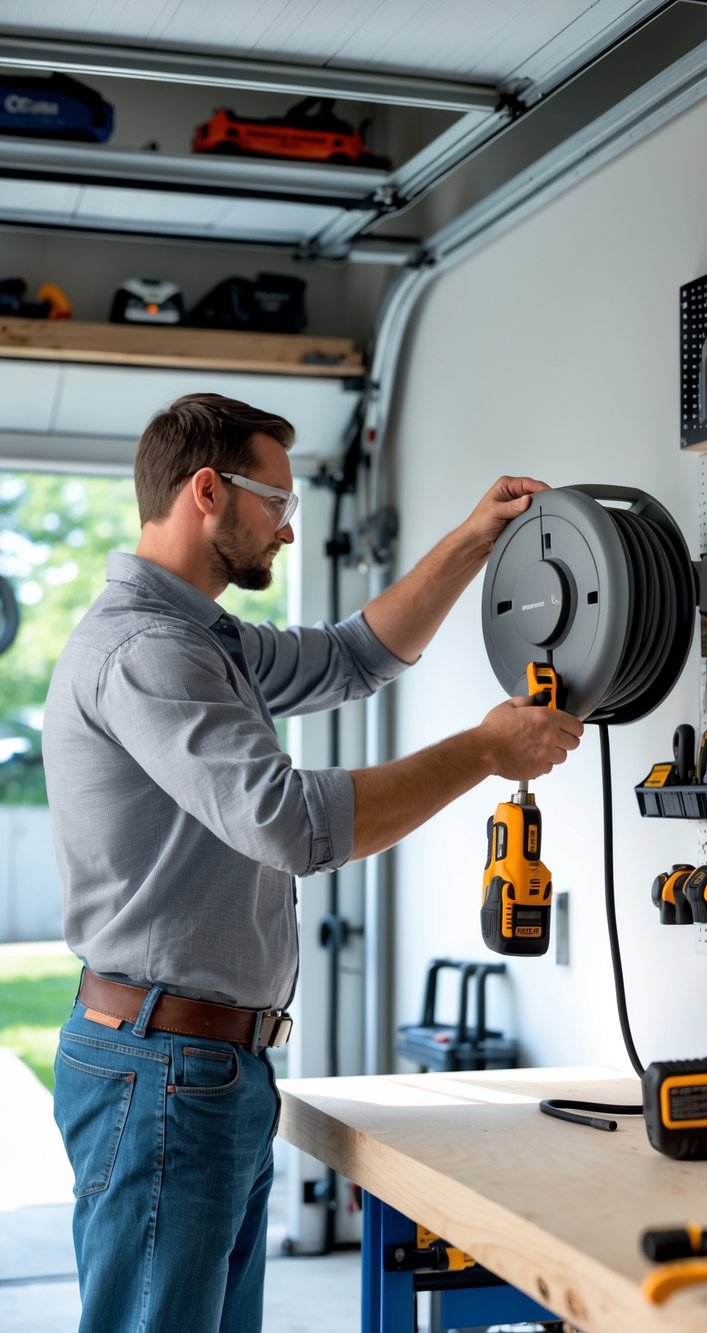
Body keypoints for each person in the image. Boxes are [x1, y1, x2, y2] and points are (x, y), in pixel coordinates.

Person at [42, 392, 582, 1332]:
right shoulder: (148, 651)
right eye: (277, 504)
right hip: (163, 1067)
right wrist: (483, 752)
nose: (289, 532)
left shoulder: (206, 641)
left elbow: (353, 657)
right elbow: (288, 822)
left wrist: (472, 538)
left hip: (206, 1066)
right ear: (208, 491)